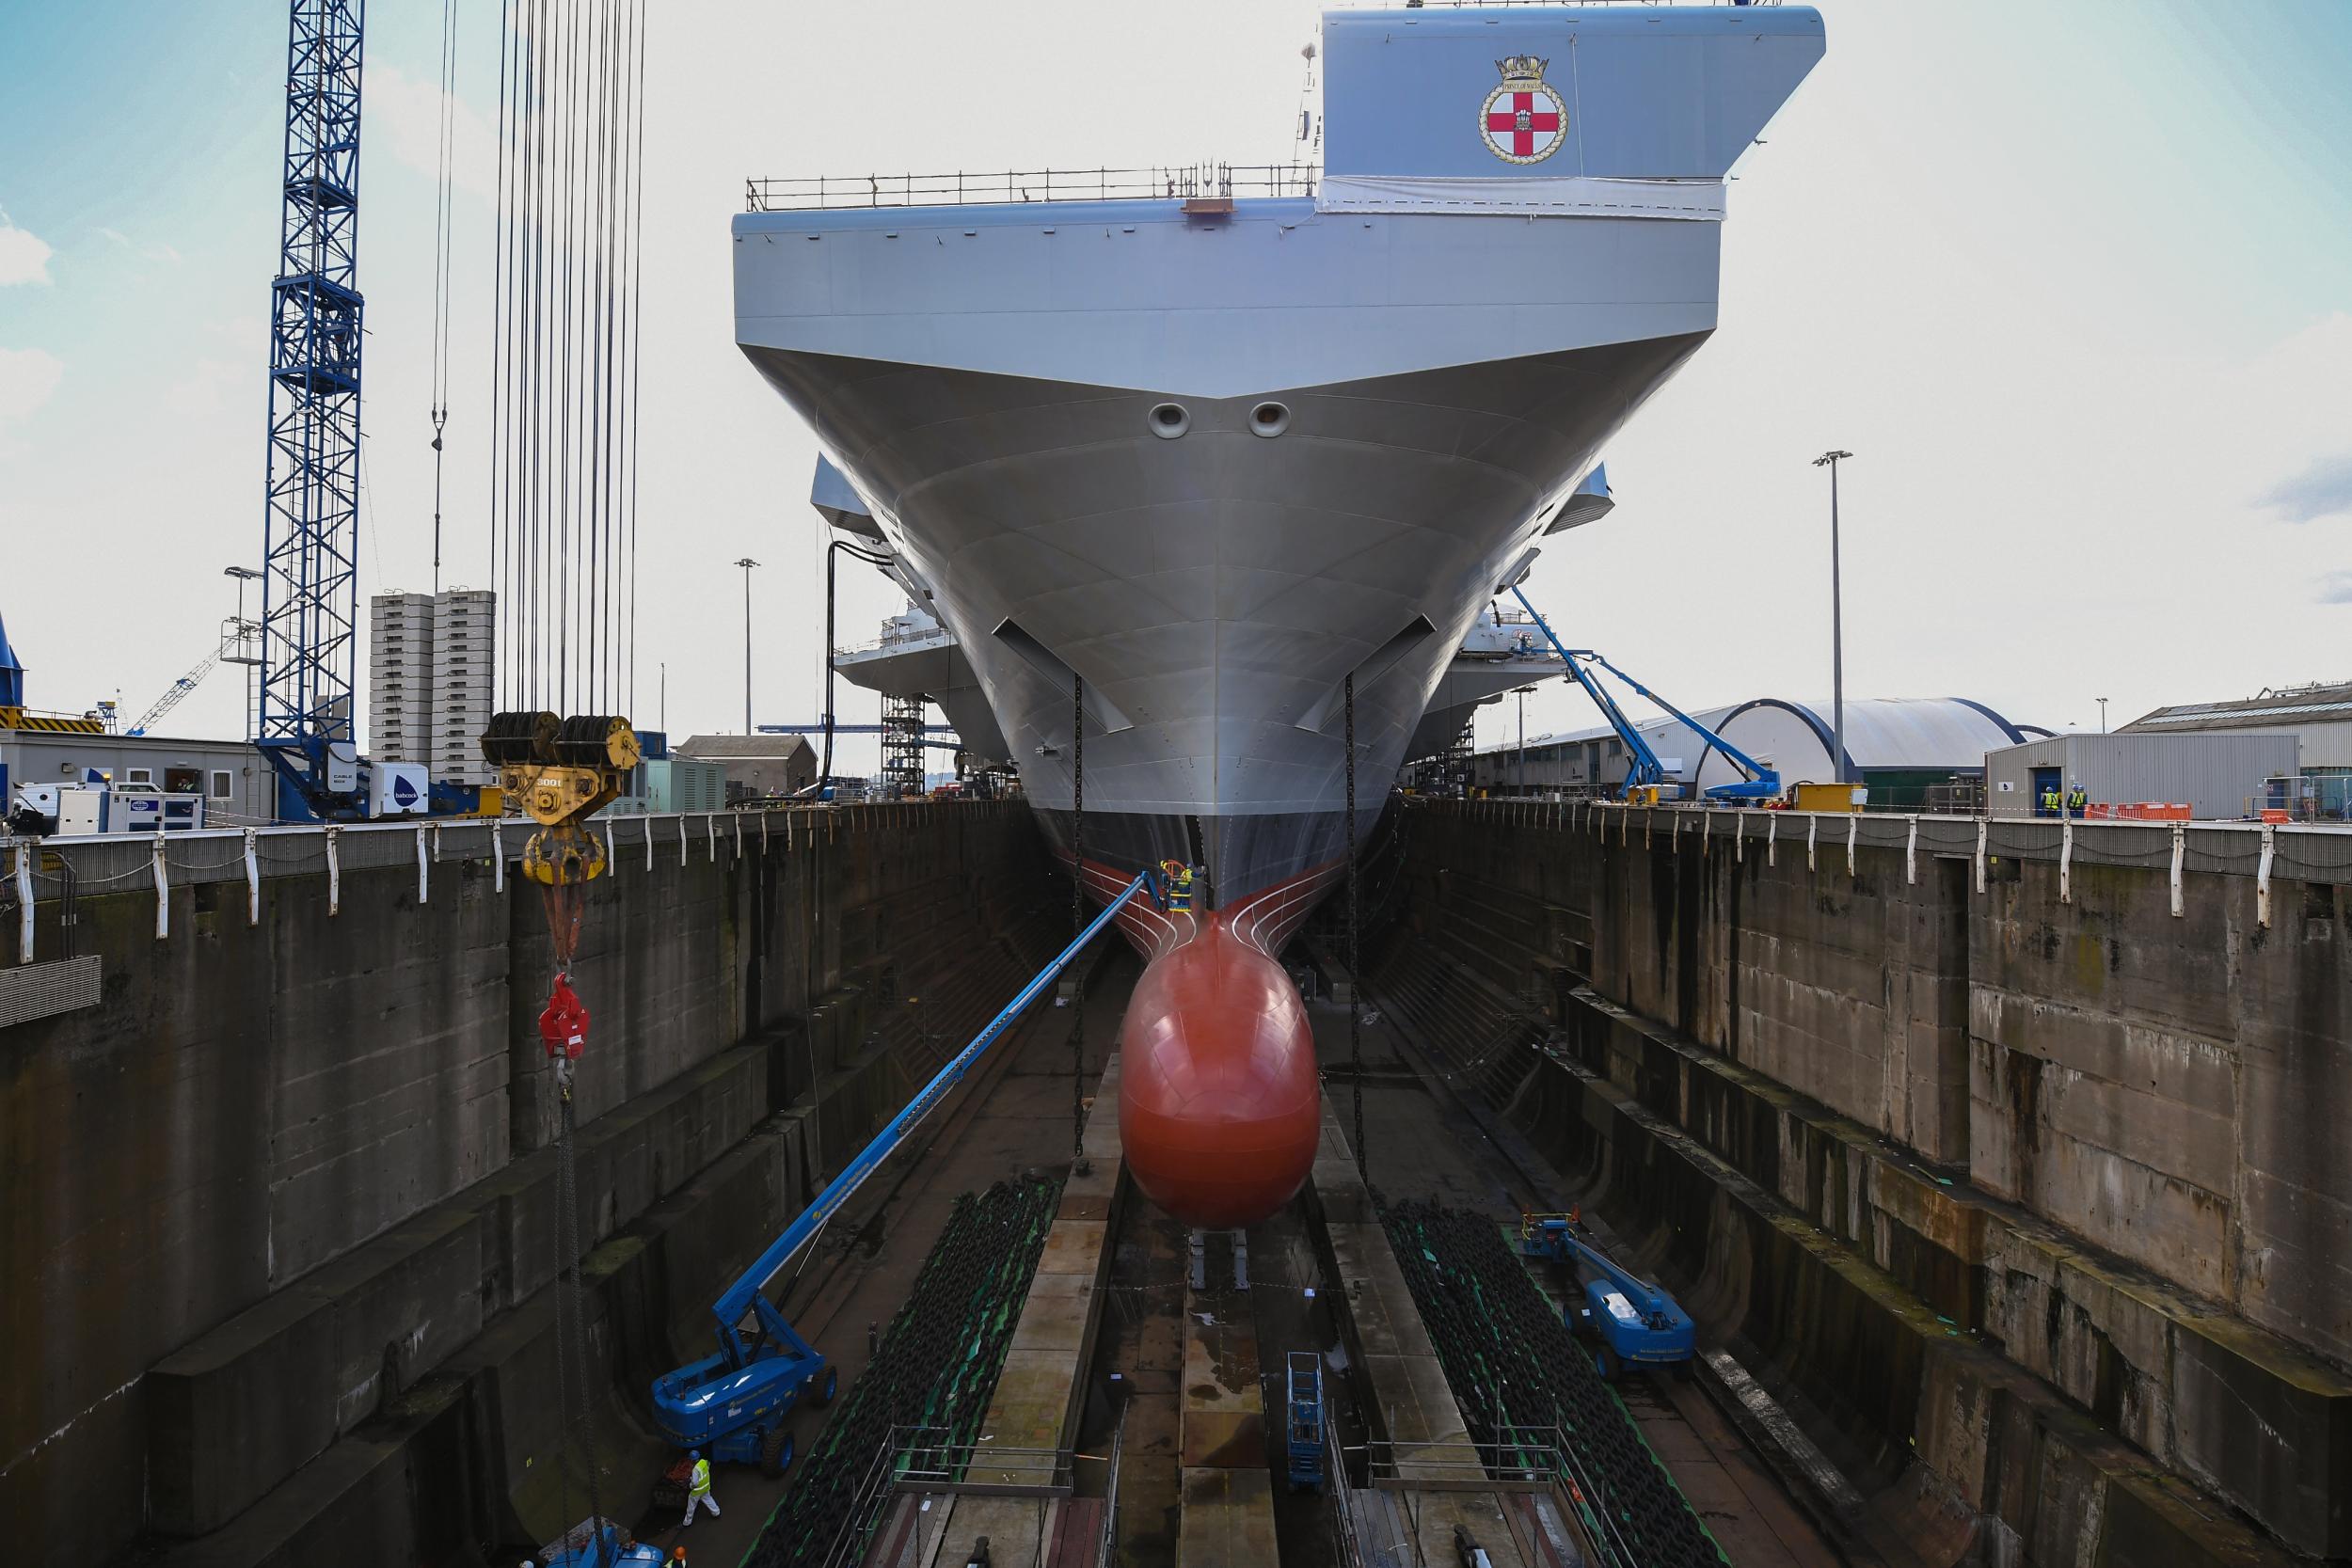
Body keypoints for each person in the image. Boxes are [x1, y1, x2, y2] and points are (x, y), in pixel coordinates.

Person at [683, 1449, 719, 1526]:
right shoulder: (703, 1462)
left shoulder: (695, 1470)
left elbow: (695, 1483)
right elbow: (706, 1468)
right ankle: (716, 1512)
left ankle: (687, 1522)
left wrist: (690, 1485)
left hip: (697, 1491)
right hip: (706, 1487)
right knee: (708, 1499)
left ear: (692, 1460)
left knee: (691, 1506)